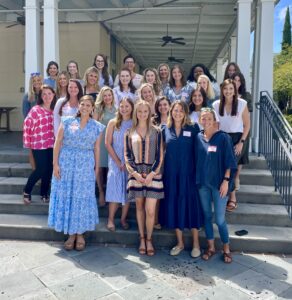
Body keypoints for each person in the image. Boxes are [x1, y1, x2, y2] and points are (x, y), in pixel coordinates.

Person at [48, 95, 105, 251]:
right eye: (82, 104)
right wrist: (55, 164)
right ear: (79, 106)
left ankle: (80, 234)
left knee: (82, 197)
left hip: (85, 165)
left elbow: (97, 148)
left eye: (88, 105)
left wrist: (97, 168)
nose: (85, 107)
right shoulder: (66, 121)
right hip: (66, 164)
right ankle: (71, 234)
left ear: (92, 107)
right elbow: (58, 142)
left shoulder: (97, 126)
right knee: (68, 197)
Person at [160, 100, 203, 258]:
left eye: (180, 111)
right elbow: (161, 153)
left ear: (185, 113)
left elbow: (200, 152)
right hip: (171, 176)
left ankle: (196, 244)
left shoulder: (193, 129)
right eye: (175, 110)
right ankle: (180, 243)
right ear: (171, 111)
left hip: (189, 175)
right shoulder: (165, 129)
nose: (177, 113)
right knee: (174, 206)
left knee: (191, 207)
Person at [196, 107, 237, 263]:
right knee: (207, 216)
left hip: (220, 184)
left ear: (214, 121)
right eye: (203, 118)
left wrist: (226, 181)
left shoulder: (223, 138)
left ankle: (226, 248)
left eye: (209, 118)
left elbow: (230, 161)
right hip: (203, 185)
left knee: (219, 219)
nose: (206, 121)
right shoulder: (198, 137)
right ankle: (211, 247)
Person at [125, 100, 164, 256]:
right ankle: (142, 238)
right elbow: (127, 156)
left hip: (153, 174)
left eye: (145, 111)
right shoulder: (130, 132)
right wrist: (134, 173)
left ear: (149, 113)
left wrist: (152, 174)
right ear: (136, 113)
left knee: (150, 210)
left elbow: (160, 156)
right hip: (136, 175)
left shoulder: (157, 131)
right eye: (139, 111)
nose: (142, 114)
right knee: (139, 208)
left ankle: (149, 239)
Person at [213, 79, 250, 212]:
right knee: (222, 168)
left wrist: (241, 142)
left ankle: (232, 198)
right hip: (222, 138)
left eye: (230, 89)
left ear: (234, 90)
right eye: (225, 89)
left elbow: (247, 125)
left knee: (232, 169)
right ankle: (222, 195)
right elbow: (215, 125)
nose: (228, 91)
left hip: (237, 139)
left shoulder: (242, 104)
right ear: (222, 90)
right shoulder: (216, 104)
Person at [23, 85, 56, 204]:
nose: (47, 96)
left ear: (53, 95)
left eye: (49, 94)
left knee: (49, 169)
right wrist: (28, 143)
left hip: (52, 144)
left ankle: (44, 193)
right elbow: (27, 125)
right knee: (41, 169)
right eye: (44, 94)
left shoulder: (55, 110)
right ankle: (27, 191)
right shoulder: (35, 110)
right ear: (41, 96)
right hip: (38, 144)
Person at [105, 97, 134, 231]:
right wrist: (117, 161)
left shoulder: (134, 123)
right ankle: (110, 219)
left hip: (129, 161)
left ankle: (123, 219)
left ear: (132, 108)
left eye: (127, 106)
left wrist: (127, 161)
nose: (124, 109)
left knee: (127, 191)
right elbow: (107, 143)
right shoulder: (113, 122)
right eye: (122, 106)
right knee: (114, 190)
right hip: (115, 160)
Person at [94, 86, 117, 207]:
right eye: (105, 95)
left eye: (109, 95)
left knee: (110, 168)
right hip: (100, 142)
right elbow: (94, 127)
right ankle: (101, 192)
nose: (107, 97)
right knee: (99, 168)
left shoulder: (117, 109)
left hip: (112, 142)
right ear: (102, 97)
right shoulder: (98, 109)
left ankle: (109, 192)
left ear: (112, 96)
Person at [152, 96, 171, 230]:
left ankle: (167, 218)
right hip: (156, 160)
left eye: (165, 105)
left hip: (171, 160)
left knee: (168, 191)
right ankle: (155, 219)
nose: (163, 107)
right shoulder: (153, 121)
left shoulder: (174, 119)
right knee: (157, 191)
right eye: (160, 105)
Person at [231, 71, 253, 191]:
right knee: (234, 155)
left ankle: (237, 178)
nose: (237, 82)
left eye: (239, 80)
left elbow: (247, 115)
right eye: (235, 80)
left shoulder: (246, 95)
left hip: (243, 129)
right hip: (231, 130)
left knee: (241, 155)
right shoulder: (227, 93)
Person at [22, 72, 43, 171]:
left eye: (38, 80)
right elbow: (26, 115)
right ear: (32, 83)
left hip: (44, 128)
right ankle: (36, 172)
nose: (36, 83)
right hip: (32, 129)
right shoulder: (28, 96)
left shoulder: (45, 94)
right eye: (34, 81)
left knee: (43, 153)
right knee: (32, 153)